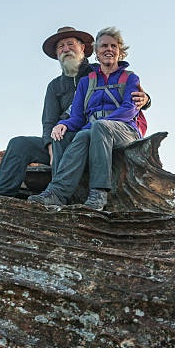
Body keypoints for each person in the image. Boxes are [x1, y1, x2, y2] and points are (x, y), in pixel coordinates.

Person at [0, 26, 150, 198]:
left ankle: (60, 194)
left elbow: (130, 93)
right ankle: (2, 194)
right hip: (67, 135)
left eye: (70, 44)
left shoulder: (97, 71)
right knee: (19, 144)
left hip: (96, 133)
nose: (66, 49)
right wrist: (49, 144)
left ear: (84, 49)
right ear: (57, 54)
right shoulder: (54, 86)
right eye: (61, 47)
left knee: (75, 136)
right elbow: (49, 121)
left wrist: (146, 99)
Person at [28, 27, 143, 211]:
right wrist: (62, 124)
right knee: (72, 135)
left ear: (120, 51)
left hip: (125, 131)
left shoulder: (130, 77)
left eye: (113, 46)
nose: (109, 49)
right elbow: (77, 116)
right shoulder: (86, 81)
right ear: (96, 52)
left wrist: (97, 124)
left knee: (98, 128)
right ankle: (57, 193)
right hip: (94, 130)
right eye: (104, 46)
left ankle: (98, 193)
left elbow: (129, 110)